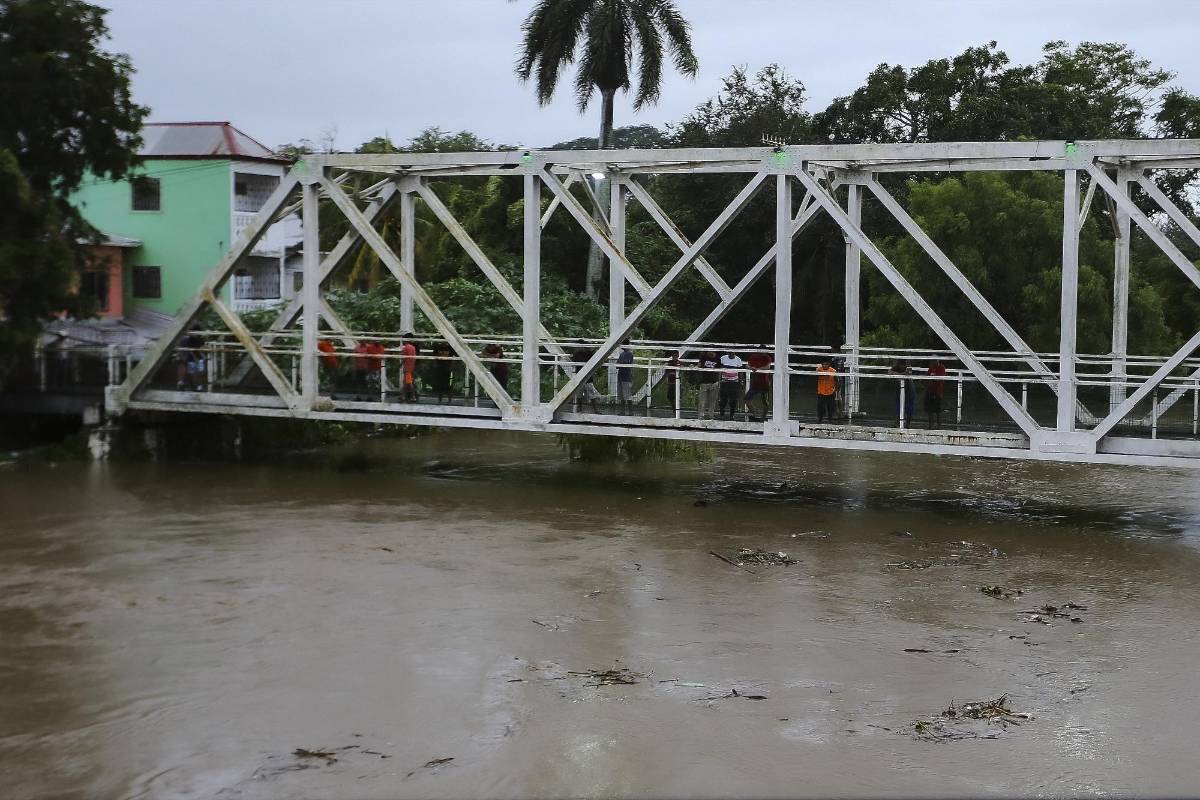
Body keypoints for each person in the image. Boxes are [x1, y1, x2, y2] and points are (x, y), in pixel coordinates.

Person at [744, 346, 772, 421]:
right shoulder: (753, 356)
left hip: (764, 383)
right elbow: (747, 365)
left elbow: (768, 367)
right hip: (755, 382)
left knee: (765, 402)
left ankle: (763, 417)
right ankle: (755, 414)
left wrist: (757, 369)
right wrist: (751, 368)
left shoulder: (767, 357)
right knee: (746, 400)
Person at [718, 351, 745, 420]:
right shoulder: (723, 358)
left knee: (733, 400)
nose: (730, 354)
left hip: (734, 382)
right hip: (724, 381)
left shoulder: (738, 359)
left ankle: (732, 414)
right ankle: (721, 413)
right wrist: (719, 380)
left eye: (732, 352)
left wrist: (741, 381)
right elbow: (720, 370)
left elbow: (740, 372)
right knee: (723, 399)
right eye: (729, 352)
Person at [571, 347, 600, 413]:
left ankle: (595, 409)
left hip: (586, 376)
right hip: (581, 376)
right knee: (580, 394)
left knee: (590, 393)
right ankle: (581, 409)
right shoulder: (578, 354)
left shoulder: (587, 353)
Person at [890, 359, 916, 425]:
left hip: (909, 391)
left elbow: (909, 373)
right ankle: (897, 423)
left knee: (909, 409)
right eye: (900, 364)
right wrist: (900, 375)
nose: (901, 366)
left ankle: (908, 424)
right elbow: (890, 372)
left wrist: (899, 375)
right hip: (899, 390)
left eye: (902, 364)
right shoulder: (896, 367)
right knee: (898, 408)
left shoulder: (908, 366)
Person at [697, 350, 720, 419]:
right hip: (704, 382)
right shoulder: (703, 357)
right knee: (702, 401)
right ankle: (701, 416)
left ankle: (711, 416)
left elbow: (719, 370)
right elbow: (699, 365)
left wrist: (719, 381)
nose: (709, 353)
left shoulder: (718, 359)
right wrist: (695, 366)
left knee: (712, 401)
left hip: (714, 382)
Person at [925, 358, 947, 429]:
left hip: (938, 392)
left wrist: (933, 377)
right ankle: (931, 425)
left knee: (938, 410)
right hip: (930, 391)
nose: (932, 363)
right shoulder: (931, 368)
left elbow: (940, 378)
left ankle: (939, 426)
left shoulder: (941, 367)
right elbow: (927, 377)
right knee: (929, 410)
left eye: (933, 361)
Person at [816, 356, 837, 423]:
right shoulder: (818, 370)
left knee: (830, 407)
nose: (824, 366)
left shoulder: (833, 371)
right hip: (821, 391)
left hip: (830, 391)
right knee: (820, 407)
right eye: (823, 364)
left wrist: (836, 389)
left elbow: (836, 381)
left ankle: (830, 419)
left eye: (826, 364)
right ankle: (820, 419)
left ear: (829, 364)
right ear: (821, 364)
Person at [616, 343, 634, 414]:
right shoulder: (622, 354)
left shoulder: (629, 354)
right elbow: (617, 365)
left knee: (628, 395)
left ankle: (630, 411)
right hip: (621, 376)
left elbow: (626, 363)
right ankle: (622, 411)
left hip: (626, 376)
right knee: (621, 396)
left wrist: (620, 364)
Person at [400, 334, 418, 402]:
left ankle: (413, 397)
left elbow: (403, 358)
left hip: (407, 368)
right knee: (405, 382)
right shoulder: (413, 347)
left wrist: (400, 364)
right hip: (411, 366)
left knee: (409, 382)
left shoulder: (406, 348)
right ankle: (403, 396)